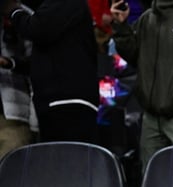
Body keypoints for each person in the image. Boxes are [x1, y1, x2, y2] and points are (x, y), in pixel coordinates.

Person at [110, 0, 173, 172]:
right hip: (151, 118)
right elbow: (135, 56)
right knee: (151, 183)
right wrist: (121, 26)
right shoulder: (148, 17)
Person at [3, 0, 99, 143]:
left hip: (68, 102)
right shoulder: (56, 15)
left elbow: (37, 28)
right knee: (56, 159)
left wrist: (13, 10)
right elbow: (44, 61)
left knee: (69, 159)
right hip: (57, 102)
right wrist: (11, 63)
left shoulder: (66, 3)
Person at [0, 3, 35, 158]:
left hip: (12, 114)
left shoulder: (23, 15)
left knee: (12, 175)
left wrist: (10, 62)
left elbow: (37, 63)